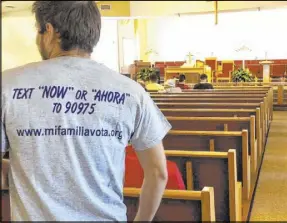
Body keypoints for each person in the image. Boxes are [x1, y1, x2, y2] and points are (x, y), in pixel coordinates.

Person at [1, 1, 171, 221]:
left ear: (50, 31)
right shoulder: (131, 91)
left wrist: (20, 165)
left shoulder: (7, 84)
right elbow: (158, 173)